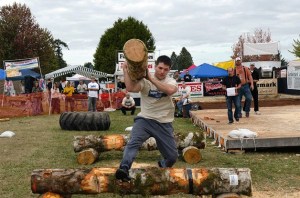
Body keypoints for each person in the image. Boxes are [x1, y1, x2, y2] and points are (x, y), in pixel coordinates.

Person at [115, 55, 178, 182]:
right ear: (155, 66)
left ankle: (161, 166)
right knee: (133, 142)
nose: (162, 71)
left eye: (165, 69)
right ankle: (124, 168)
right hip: (145, 120)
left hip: (164, 123)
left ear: (169, 70)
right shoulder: (144, 81)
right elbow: (131, 88)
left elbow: (170, 91)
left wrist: (151, 78)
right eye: (160, 68)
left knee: (172, 157)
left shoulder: (171, 82)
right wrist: (125, 70)